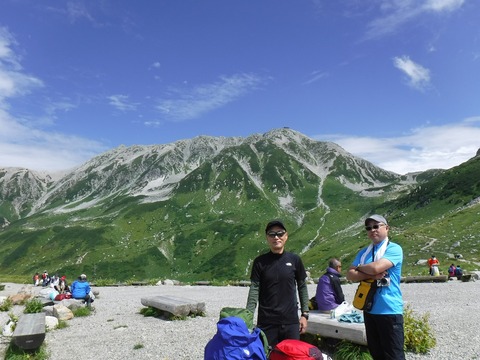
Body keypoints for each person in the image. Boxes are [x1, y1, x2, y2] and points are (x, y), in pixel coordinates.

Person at [346, 214, 404, 360]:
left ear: (387, 228)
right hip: (370, 309)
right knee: (376, 354)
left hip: (389, 310)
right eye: (369, 228)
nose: (372, 230)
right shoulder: (364, 252)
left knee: (394, 355)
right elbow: (350, 275)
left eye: (376, 226)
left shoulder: (394, 249)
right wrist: (371, 275)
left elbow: (376, 267)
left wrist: (360, 268)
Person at [246, 220, 310, 349]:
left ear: (286, 236)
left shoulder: (295, 260)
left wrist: (305, 314)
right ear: (267, 238)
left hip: (290, 321)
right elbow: (254, 290)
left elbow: (302, 287)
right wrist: (248, 317)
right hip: (266, 322)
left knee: (292, 356)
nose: (276, 237)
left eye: (280, 233)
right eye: (272, 234)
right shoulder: (259, 262)